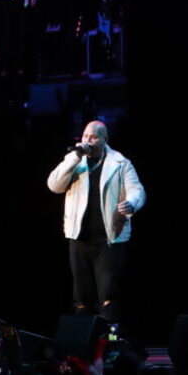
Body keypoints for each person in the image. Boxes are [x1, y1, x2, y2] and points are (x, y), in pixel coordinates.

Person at [47, 120, 145, 325]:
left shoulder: (120, 163)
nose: (87, 140)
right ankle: (84, 347)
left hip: (109, 240)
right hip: (79, 239)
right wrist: (74, 157)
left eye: (93, 137)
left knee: (107, 297)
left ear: (104, 139)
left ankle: (109, 343)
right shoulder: (74, 161)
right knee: (81, 299)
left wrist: (131, 203)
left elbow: (137, 190)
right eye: (84, 136)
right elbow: (54, 185)